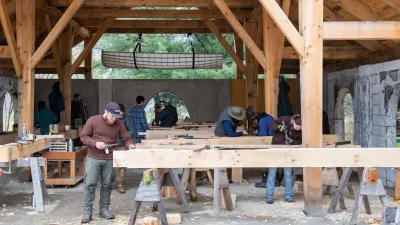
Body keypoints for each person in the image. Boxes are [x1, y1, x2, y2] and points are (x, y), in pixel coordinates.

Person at [80, 102, 135, 223]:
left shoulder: (118, 123)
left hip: (109, 158)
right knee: (90, 184)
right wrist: (95, 143)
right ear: (106, 112)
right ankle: (87, 211)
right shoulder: (93, 120)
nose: (114, 119)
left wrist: (129, 145)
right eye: (112, 116)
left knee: (107, 185)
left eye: (116, 117)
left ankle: (104, 209)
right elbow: (83, 137)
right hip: (93, 157)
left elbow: (126, 138)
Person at [266, 114, 302, 204]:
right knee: (272, 173)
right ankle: (269, 197)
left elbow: (300, 141)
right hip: (276, 149)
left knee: (288, 175)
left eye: (299, 128)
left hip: (288, 153)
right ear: (293, 121)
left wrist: (292, 141)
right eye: (297, 127)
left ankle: (289, 196)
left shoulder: (299, 130)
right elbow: (272, 123)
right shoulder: (284, 119)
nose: (298, 129)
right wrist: (279, 127)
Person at [254, 113, 276, 188]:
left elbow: (263, 135)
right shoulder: (270, 117)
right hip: (274, 141)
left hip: (268, 143)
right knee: (273, 163)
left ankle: (264, 181)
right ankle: (275, 181)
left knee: (264, 163)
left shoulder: (262, 121)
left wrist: (257, 133)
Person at [115, 103, 132, 194]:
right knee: (108, 166)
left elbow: (131, 129)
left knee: (122, 166)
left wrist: (125, 137)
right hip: (110, 145)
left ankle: (120, 185)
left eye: (122, 114)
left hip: (121, 144)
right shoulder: (109, 117)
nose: (121, 115)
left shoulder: (126, 118)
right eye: (119, 113)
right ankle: (107, 184)